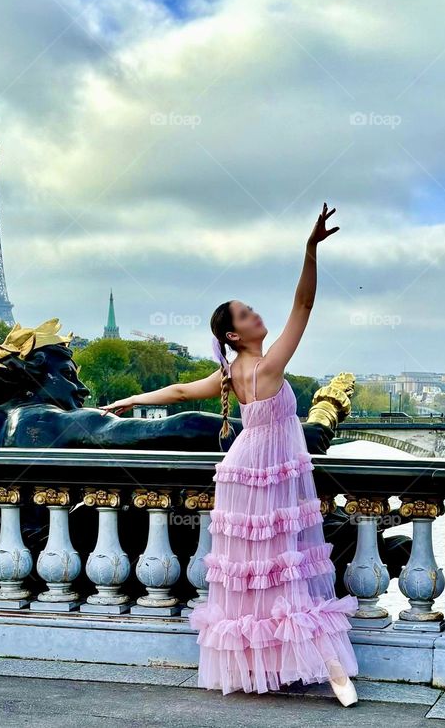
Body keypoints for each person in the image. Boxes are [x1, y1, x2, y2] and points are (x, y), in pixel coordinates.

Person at [101, 202, 359, 704]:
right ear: (234, 336)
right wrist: (310, 251)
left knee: (254, 572)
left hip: (244, 471)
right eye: (245, 314)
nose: (255, 314)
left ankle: (263, 666)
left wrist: (132, 399)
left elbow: (178, 392)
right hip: (269, 471)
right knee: (285, 568)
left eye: (250, 308)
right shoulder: (267, 366)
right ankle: (328, 668)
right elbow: (304, 306)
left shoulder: (232, 373)